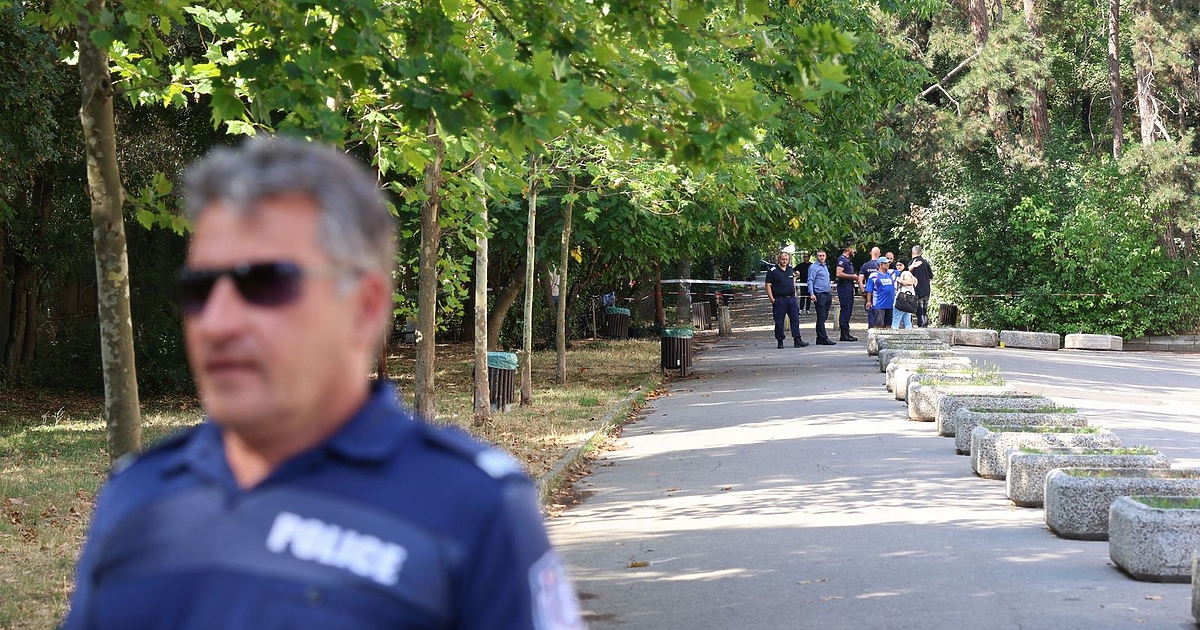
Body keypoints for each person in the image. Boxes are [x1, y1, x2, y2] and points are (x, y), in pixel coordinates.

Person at [62, 137, 586, 630]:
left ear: (365, 307)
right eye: (199, 289)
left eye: (263, 283)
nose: (217, 322)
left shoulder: (474, 508)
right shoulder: (137, 496)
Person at [765, 250, 809, 349]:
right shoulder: (773, 270)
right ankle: (780, 341)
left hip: (791, 299)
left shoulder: (790, 269)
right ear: (779, 259)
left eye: (786, 259)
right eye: (783, 259)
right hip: (779, 300)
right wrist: (772, 299)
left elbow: (792, 281)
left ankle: (797, 340)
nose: (785, 261)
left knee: (795, 320)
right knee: (779, 321)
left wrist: (795, 292)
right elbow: (768, 285)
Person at [806, 250, 836, 345]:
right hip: (819, 294)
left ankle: (819, 338)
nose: (821, 257)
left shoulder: (825, 266)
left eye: (823, 255)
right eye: (819, 256)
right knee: (821, 316)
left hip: (827, 294)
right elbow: (810, 280)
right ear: (816, 257)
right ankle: (823, 338)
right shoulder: (813, 267)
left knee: (824, 316)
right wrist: (812, 293)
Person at [864, 256, 896, 329]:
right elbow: (869, 290)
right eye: (885, 263)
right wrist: (868, 301)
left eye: (888, 263)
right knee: (878, 325)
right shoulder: (874, 275)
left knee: (888, 325)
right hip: (879, 304)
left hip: (890, 304)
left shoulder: (890, 274)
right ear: (880, 265)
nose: (888, 264)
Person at [835, 244, 858, 341]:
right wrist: (852, 276)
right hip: (844, 287)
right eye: (853, 249)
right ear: (848, 249)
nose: (854, 251)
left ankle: (847, 332)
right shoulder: (842, 260)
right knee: (845, 309)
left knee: (848, 310)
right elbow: (838, 273)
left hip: (849, 287)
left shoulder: (847, 260)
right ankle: (844, 334)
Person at [908, 245, 935, 327]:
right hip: (926, 289)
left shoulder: (912, 263)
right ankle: (924, 325)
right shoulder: (926, 262)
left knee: (918, 310)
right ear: (921, 252)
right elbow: (930, 276)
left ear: (912, 253)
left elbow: (907, 275)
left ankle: (920, 326)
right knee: (924, 310)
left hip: (916, 290)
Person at [858, 246, 881, 328]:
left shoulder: (865, 265)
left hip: (869, 293)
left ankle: (871, 330)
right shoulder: (881, 266)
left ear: (870, 253)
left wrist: (863, 291)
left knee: (870, 314)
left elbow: (860, 280)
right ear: (880, 254)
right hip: (880, 293)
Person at [892, 260, 917, 329]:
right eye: (897, 265)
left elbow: (910, 282)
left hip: (902, 299)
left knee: (896, 320)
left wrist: (899, 280)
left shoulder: (905, 273)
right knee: (907, 321)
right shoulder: (907, 273)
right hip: (908, 300)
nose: (898, 266)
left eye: (900, 265)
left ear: (904, 265)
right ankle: (908, 337)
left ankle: (893, 336)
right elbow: (915, 281)